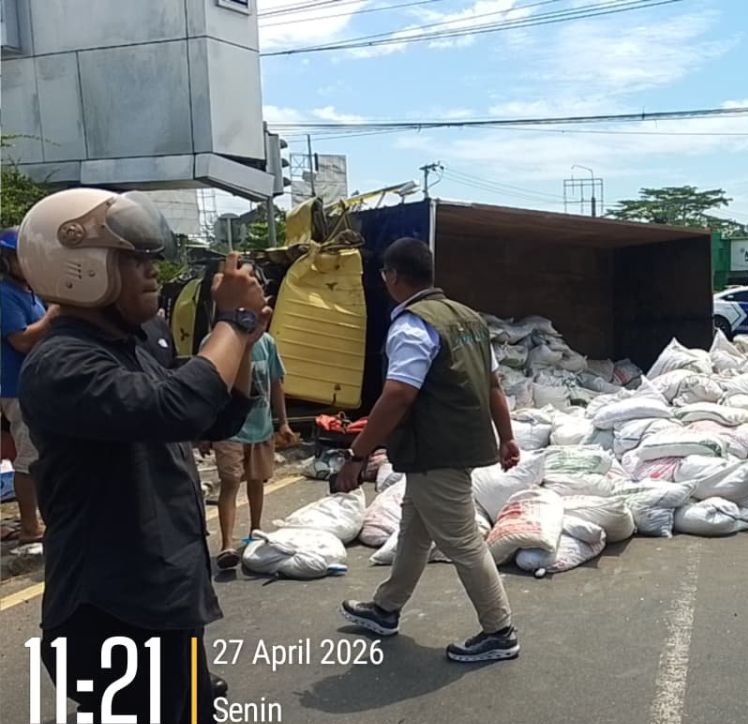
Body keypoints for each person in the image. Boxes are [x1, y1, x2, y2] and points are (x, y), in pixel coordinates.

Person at [17, 188, 268, 724]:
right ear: (80, 268)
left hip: (164, 602)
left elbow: (212, 418)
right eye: (134, 259)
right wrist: (231, 324)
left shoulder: (134, 346)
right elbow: (176, 406)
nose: (153, 270)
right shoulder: (61, 363)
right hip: (111, 614)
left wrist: (245, 336)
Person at [336, 237, 521, 663]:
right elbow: (494, 385)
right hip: (444, 448)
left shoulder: (412, 325)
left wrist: (357, 454)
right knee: (414, 532)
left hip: (435, 450)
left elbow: (399, 394)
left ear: (394, 276)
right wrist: (507, 437)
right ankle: (386, 609)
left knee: (462, 543)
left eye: (384, 275)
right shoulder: (468, 318)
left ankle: (499, 631)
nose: (384, 282)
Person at [202, 327, 295, 571]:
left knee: (257, 480)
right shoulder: (214, 342)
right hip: (228, 430)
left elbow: (275, 383)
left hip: (260, 426)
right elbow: (205, 390)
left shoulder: (267, 343)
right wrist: (204, 432)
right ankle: (227, 545)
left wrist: (283, 422)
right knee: (230, 482)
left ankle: (256, 530)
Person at [0, 227, 56, 544]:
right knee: (28, 457)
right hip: (16, 386)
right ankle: (29, 527)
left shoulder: (29, 291)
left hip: (34, 383)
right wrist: (51, 319)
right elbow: (20, 340)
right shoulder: (5, 295)